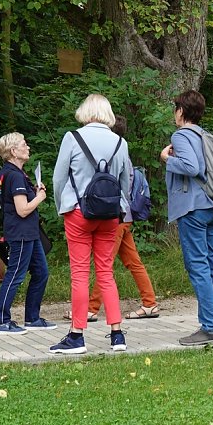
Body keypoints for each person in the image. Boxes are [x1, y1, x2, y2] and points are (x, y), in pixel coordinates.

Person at [50, 94, 131, 354]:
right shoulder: (120, 142)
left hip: (78, 213)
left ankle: (77, 335)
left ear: (84, 111)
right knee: (106, 273)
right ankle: (117, 334)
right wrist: (121, 208)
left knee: (80, 274)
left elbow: (58, 179)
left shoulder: (72, 138)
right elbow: (126, 182)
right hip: (109, 214)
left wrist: (61, 204)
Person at [63, 115, 159, 322]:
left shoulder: (113, 153)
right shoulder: (121, 151)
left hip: (112, 216)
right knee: (133, 262)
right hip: (123, 216)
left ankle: (91, 309)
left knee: (103, 265)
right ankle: (150, 303)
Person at [161, 90, 213, 345]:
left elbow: (192, 168)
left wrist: (167, 158)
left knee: (198, 265)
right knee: (211, 264)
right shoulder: (205, 135)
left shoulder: (181, 136)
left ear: (181, 111)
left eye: (175, 108)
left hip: (194, 208)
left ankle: (210, 327)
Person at [0, 133, 56, 335]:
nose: (27, 147)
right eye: (24, 144)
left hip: (30, 233)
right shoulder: (14, 175)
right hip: (20, 233)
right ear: (13, 151)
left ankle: (32, 318)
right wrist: (40, 197)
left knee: (41, 272)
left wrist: (34, 190)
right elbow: (22, 209)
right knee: (15, 275)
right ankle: (3, 321)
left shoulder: (14, 173)